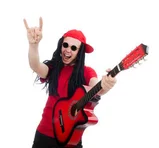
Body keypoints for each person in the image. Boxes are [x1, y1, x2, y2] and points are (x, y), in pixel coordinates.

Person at [24, 17, 117, 148]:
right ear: (61, 45)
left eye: (73, 48)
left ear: (80, 52)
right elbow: (36, 66)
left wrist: (106, 85)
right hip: (44, 134)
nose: (68, 50)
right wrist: (33, 45)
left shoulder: (87, 72)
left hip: (71, 139)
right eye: (65, 45)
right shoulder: (54, 68)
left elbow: (97, 87)